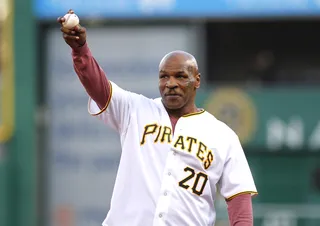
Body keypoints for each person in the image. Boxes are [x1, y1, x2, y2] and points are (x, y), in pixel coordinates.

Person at [58, 10, 258, 226]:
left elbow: (239, 202)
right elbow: (97, 86)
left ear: (197, 80)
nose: (170, 83)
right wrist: (80, 50)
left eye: (180, 76)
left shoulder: (222, 136)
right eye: (164, 76)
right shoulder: (135, 110)